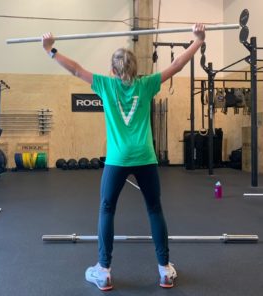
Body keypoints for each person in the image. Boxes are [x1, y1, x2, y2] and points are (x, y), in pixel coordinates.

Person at [42, 23, 205, 291]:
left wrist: (50, 50)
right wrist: (197, 41)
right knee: (154, 209)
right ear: (134, 68)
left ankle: (104, 271)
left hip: (117, 159)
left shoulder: (105, 85)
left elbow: (74, 68)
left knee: (107, 209)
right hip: (145, 157)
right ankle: (165, 270)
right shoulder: (147, 84)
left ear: (114, 70)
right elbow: (176, 65)